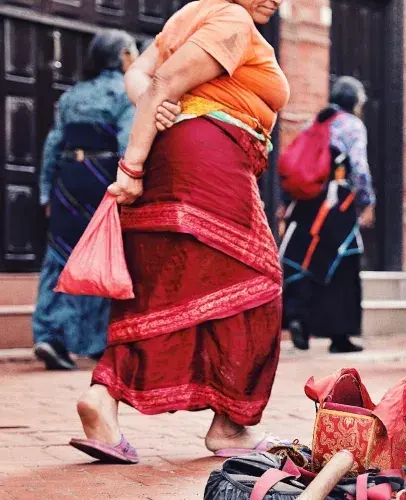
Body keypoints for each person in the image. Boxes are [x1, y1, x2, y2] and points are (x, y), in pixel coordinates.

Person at [69, 0, 289, 465]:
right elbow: (163, 81)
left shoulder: (191, 13)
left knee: (166, 289)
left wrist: (158, 105)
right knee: (258, 285)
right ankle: (230, 424)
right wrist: (130, 167)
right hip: (209, 159)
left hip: (176, 156)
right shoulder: (233, 19)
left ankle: (102, 398)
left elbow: (141, 75)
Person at [32, 30, 143, 371]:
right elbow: (128, 145)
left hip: (69, 180)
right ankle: (96, 341)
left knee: (60, 257)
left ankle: (50, 335)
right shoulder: (126, 92)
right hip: (103, 181)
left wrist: (47, 192)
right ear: (123, 56)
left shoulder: (72, 95)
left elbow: (53, 145)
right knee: (102, 256)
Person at [280, 76, 375, 354]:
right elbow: (359, 166)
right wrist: (367, 201)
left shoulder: (315, 122)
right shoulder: (352, 125)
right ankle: (339, 335)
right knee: (344, 262)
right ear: (355, 102)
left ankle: (298, 318)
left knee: (304, 260)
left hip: (306, 202)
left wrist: (286, 201)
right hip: (336, 203)